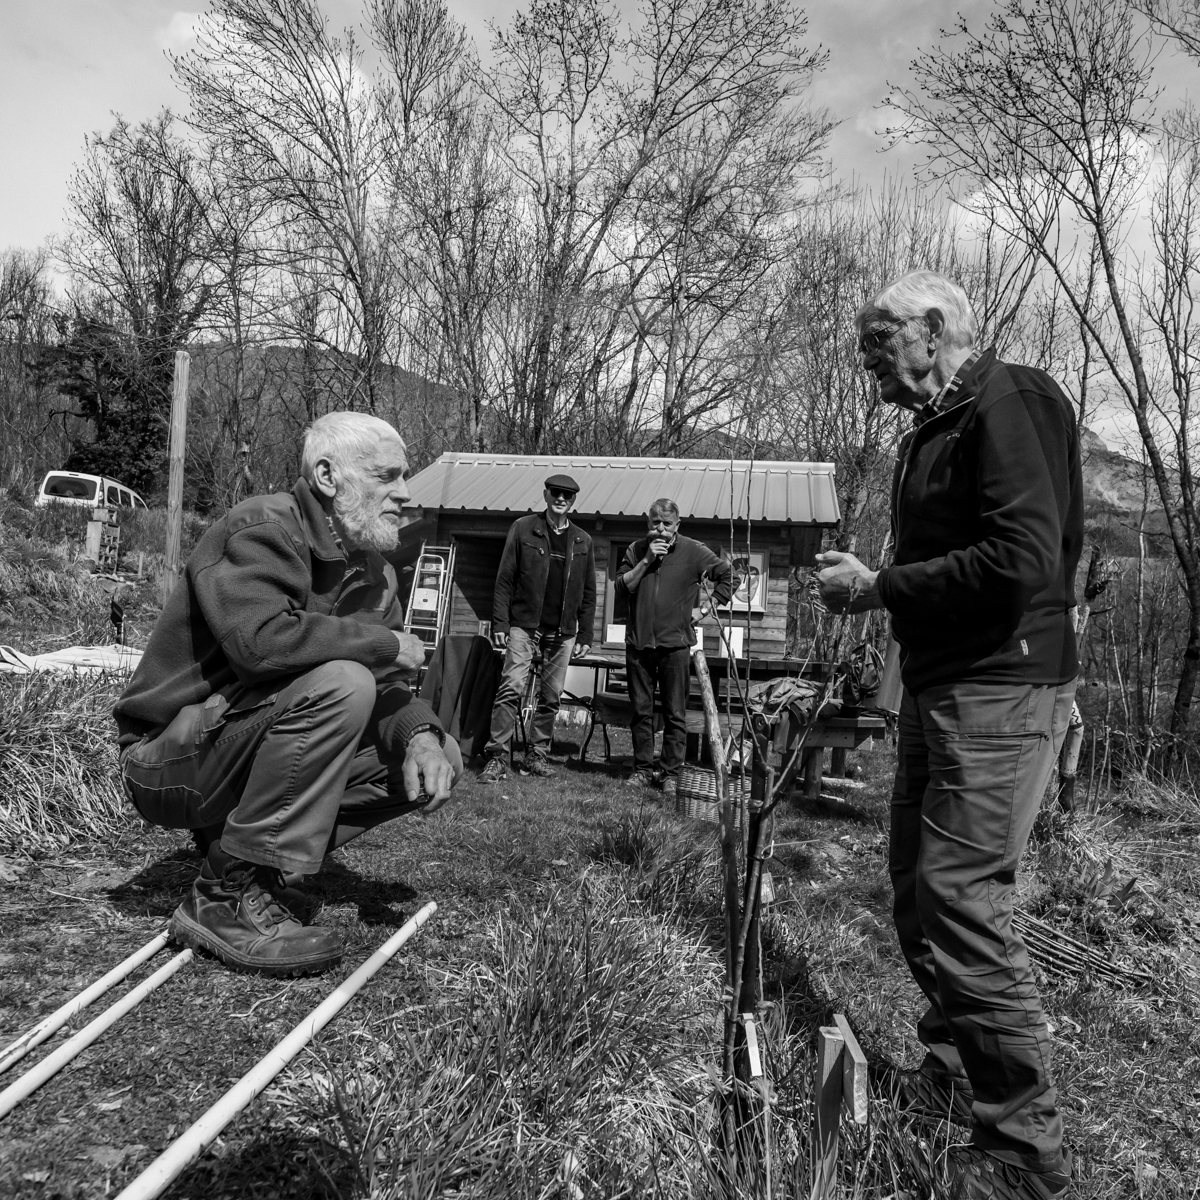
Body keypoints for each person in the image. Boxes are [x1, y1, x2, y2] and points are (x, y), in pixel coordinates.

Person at [817, 270, 1082, 1200]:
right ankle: (960, 1075)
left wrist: (878, 585)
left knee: (962, 899)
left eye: (877, 342)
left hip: (1001, 687)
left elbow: (1022, 557)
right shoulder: (934, 428)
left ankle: (1022, 1151)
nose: (867, 363)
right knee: (917, 894)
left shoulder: (1008, 398)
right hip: (941, 686)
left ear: (933, 330)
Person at [114, 412, 462, 977]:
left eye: (405, 477)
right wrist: (380, 642)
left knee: (439, 751)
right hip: (168, 760)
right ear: (328, 475)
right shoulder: (261, 529)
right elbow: (260, 644)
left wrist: (420, 734)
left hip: (239, 746)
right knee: (344, 681)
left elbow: (388, 686)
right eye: (386, 476)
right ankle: (225, 897)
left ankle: (255, 864)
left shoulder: (376, 571)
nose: (404, 492)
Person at [478, 473, 597, 783]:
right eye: (556, 493)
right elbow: (505, 578)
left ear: (573, 501)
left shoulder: (583, 540)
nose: (561, 499)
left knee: (551, 696)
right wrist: (500, 622)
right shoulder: (523, 529)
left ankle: (536, 756)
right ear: (545, 495)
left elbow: (588, 591)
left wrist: (585, 633)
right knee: (511, 687)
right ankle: (497, 757)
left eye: (567, 495)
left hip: (563, 632)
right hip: (524, 626)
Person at [616, 499, 733, 800]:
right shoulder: (636, 550)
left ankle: (670, 774)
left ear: (677, 525)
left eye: (667, 523)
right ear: (648, 523)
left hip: (676, 646)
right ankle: (642, 770)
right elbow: (621, 587)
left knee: (674, 714)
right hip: (638, 644)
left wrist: (705, 609)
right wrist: (646, 561)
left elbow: (728, 575)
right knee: (641, 712)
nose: (661, 528)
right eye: (655, 522)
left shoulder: (693, 550)